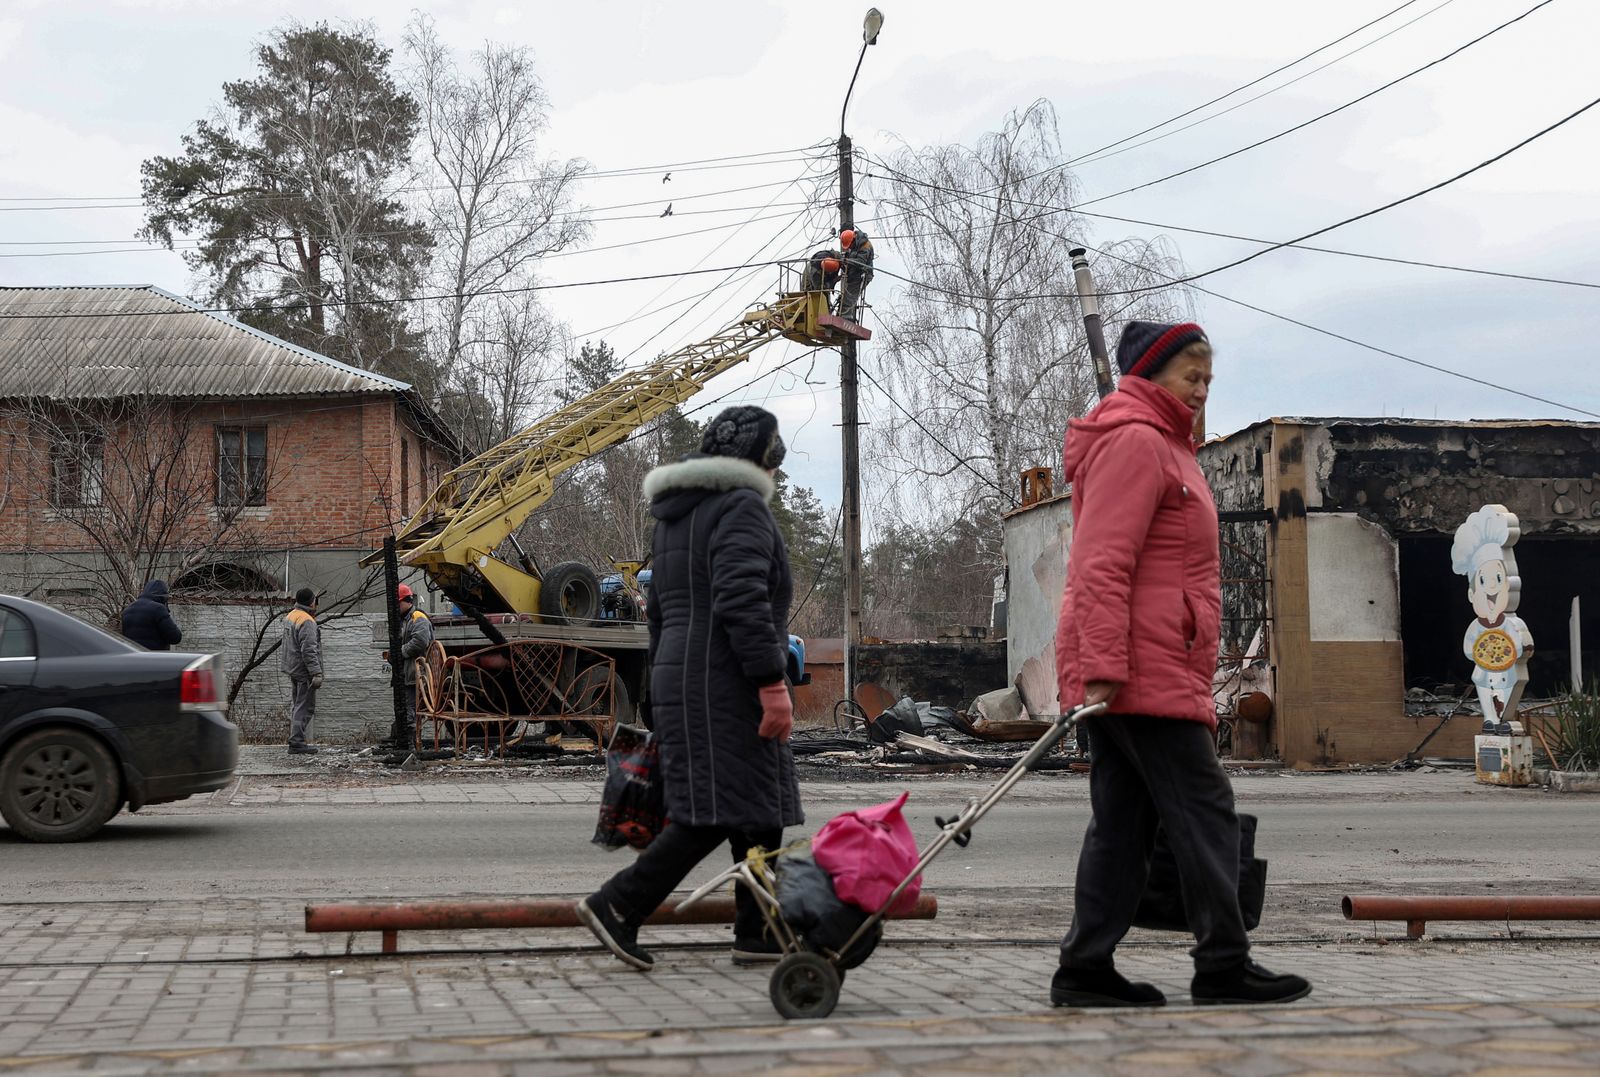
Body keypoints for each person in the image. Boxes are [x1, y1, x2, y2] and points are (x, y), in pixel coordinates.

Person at [1051, 321, 1312, 1008]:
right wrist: (1103, 662)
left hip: (1145, 664)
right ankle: (1222, 962)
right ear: (1150, 373)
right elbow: (1101, 560)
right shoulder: (1138, 442)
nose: (1199, 389)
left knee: (1125, 823)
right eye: (1188, 377)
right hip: (1138, 669)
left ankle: (1083, 967)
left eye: (1207, 379)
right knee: (1206, 809)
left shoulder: (1168, 446)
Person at [577, 404, 802, 971]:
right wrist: (772, 683)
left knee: (758, 810)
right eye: (773, 455)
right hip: (723, 680)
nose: (776, 469)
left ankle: (760, 930)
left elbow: (656, 612)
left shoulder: (676, 516)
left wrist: (660, 683)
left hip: (685, 673)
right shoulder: (741, 507)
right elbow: (742, 601)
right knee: (715, 812)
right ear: (755, 457)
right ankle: (617, 906)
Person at [280, 587, 323, 756]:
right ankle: (297, 742)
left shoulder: (291, 616)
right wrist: (316, 673)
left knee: (297, 704)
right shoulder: (307, 621)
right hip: (304, 670)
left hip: (292, 667)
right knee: (305, 707)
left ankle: (296, 740)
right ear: (311, 602)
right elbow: (309, 650)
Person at [397, 583, 435, 739]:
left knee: (411, 710)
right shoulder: (405, 619)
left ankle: (412, 742)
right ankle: (411, 740)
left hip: (416, 674)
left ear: (406, 601)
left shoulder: (417, 618)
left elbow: (420, 642)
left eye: (397, 603)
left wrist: (400, 653)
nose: (396, 607)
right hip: (410, 673)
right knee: (408, 708)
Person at [120, 579, 182, 651]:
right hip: (155, 658)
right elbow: (175, 638)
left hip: (134, 658)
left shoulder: (127, 610)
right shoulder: (158, 609)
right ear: (163, 596)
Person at [836, 228, 874, 320]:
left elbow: (860, 262)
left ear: (854, 239)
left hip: (862, 275)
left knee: (849, 297)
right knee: (844, 297)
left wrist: (846, 260)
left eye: (850, 245)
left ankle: (845, 318)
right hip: (853, 274)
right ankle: (842, 315)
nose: (849, 248)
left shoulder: (865, 245)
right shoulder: (855, 245)